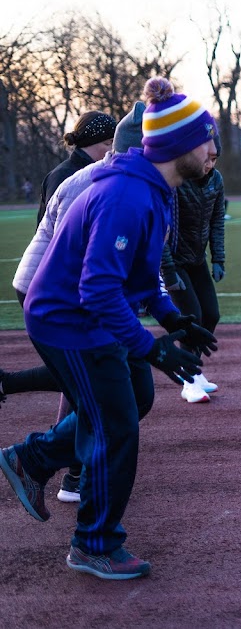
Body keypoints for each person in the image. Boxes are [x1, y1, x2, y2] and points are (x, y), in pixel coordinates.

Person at [0, 77, 218, 580]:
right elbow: (97, 290)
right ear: (179, 145)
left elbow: (140, 275)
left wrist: (171, 317)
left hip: (84, 316)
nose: (213, 151)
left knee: (131, 401)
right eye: (206, 140)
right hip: (66, 320)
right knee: (115, 426)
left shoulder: (153, 190)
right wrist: (152, 349)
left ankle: (31, 459)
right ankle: (94, 543)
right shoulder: (128, 196)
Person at [10, 100, 148, 504]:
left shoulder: (126, 180)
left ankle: (47, 462)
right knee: (102, 398)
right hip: (58, 296)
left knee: (120, 394)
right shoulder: (86, 180)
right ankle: (72, 478)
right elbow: (76, 257)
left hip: (79, 296)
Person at [162, 133, 227, 402]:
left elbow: (217, 220)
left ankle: (194, 371)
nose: (210, 165)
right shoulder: (177, 182)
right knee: (192, 317)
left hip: (197, 260)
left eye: (214, 159)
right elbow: (161, 230)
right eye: (206, 159)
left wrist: (218, 258)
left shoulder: (216, 180)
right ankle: (188, 381)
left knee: (211, 315)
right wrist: (168, 271)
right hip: (174, 261)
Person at [37, 111, 117, 224]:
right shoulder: (62, 176)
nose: (113, 150)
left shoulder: (103, 173)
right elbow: (53, 226)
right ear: (91, 142)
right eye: (108, 143)